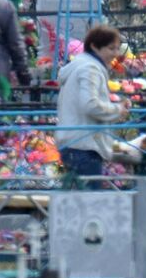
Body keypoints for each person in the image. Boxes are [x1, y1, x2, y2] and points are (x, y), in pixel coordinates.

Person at [55, 24, 137, 180]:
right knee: (90, 199)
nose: (116, 54)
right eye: (111, 48)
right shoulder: (90, 69)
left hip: (73, 142)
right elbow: (90, 104)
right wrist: (117, 110)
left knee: (78, 198)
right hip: (85, 145)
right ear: (94, 46)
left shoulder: (80, 65)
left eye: (117, 48)